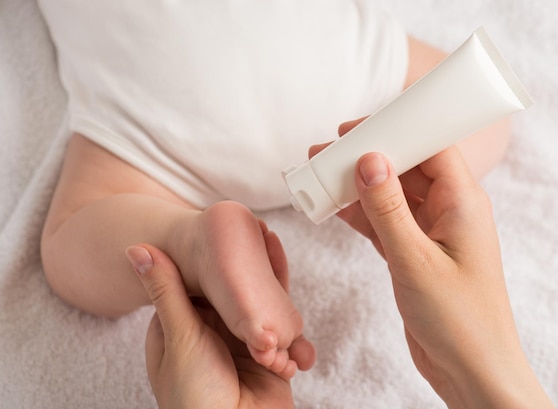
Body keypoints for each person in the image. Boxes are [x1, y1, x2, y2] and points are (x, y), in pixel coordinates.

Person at [39, 0, 509, 376]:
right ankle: (364, 174)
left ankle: (188, 242)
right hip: (333, 71)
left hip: (152, 100)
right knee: (485, 118)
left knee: (73, 241)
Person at [126, 125, 558, 409]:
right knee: (487, 130)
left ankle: (186, 237)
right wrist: (487, 370)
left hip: (167, 101)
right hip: (329, 74)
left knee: (76, 230)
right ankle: (192, 240)